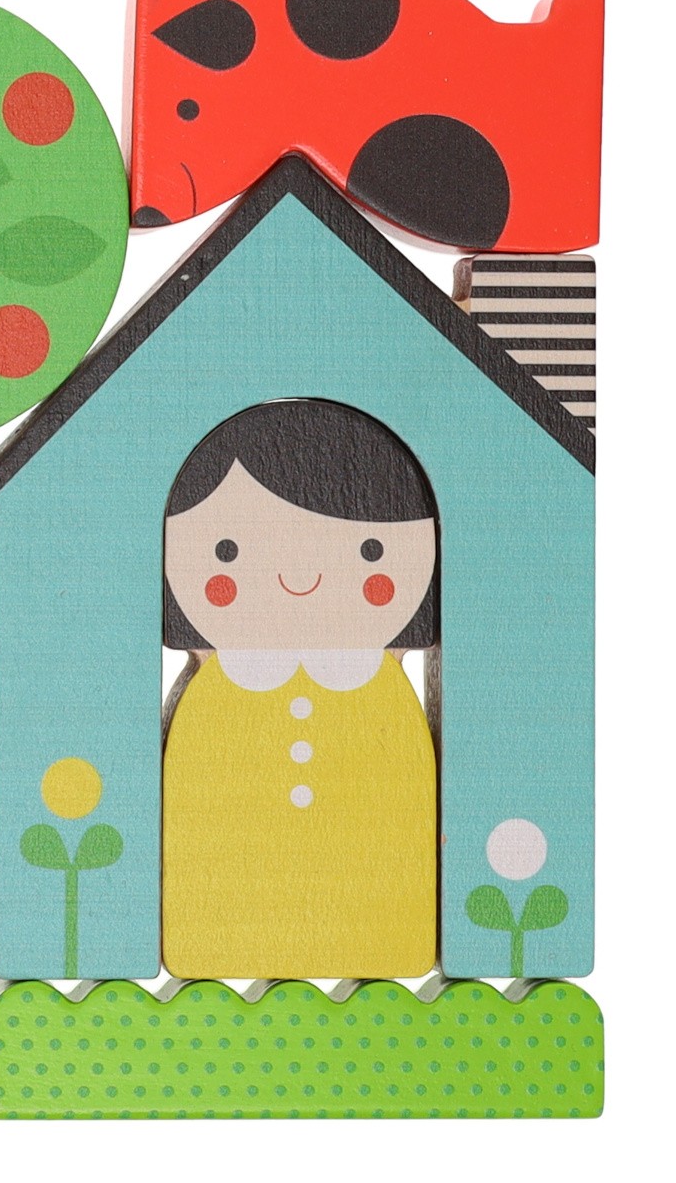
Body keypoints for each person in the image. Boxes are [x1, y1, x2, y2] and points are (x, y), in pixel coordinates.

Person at [162, 399, 438, 978]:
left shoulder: (386, 700)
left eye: (368, 550)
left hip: (378, 912)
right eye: (230, 550)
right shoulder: (210, 701)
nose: (299, 576)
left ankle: (376, 938)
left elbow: (399, 820)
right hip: (220, 913)